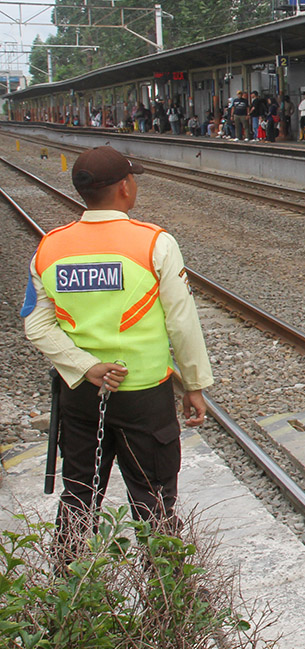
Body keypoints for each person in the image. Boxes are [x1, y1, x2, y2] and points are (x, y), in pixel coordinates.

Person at [22, 146, 212, 552]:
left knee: (78, 496)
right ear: (126, 188)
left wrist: (84, 366)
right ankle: (167, 599)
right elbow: (182, 322)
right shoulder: (154, 244)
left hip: (80, 396)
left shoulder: (49, 248)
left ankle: (68, 591)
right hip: (145, 396)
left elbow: (37, 324)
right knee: (155, 500)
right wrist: (194, 385)